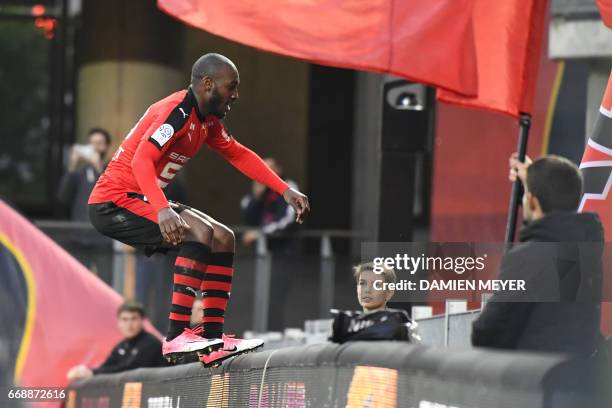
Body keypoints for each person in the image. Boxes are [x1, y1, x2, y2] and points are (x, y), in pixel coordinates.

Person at [88, 53, 310, 362]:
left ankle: (211, 340)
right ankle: (176, 335)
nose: (235, 95)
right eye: (231, 87)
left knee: (223, 237)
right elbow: (142, 160)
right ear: (208, 84)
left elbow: (239, 154)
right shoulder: (177, 111)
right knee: (199, 232)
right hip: (114, 202)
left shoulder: (207, 121)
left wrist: (284, 190)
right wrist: (163, 208)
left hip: (144, 197)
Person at [472, 154, 604, 357]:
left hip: (534, 382)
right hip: (577, 379)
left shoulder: (528, 258)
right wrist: (537, 180)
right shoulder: (588, 250)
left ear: (532, 202)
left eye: (526, 195)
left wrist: (536, 184)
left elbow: (488, 332)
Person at [58, 128, 114, 285]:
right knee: (78, 283)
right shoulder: (79, 173)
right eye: (92, 144)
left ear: (107, 147)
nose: (95, 148)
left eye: (99, 144)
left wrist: (98, 169)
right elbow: (63, 197)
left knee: (105, 282)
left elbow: (111, 196)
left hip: (102, 239)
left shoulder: (112, 171)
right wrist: (72, 166)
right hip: (80, 238)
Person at [66, 301, 165, 381]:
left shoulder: (151, 343)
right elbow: (106, 366)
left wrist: (92, 372)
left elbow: (131, 370)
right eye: (125, 319)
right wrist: (85, 371)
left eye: (134, 319)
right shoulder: (121, 346)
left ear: (142, 321)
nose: (129, 324)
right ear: (119, 323)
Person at [240, 158, 298, 248]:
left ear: (278, 170)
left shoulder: (289, 187)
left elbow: (288, 220)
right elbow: (249, 218)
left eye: (269, 169)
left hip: (286, 246)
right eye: (262, 168)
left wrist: (261, 232)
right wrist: (256, 197)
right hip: (263, 247)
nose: (265, 172)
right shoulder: (261, 189)